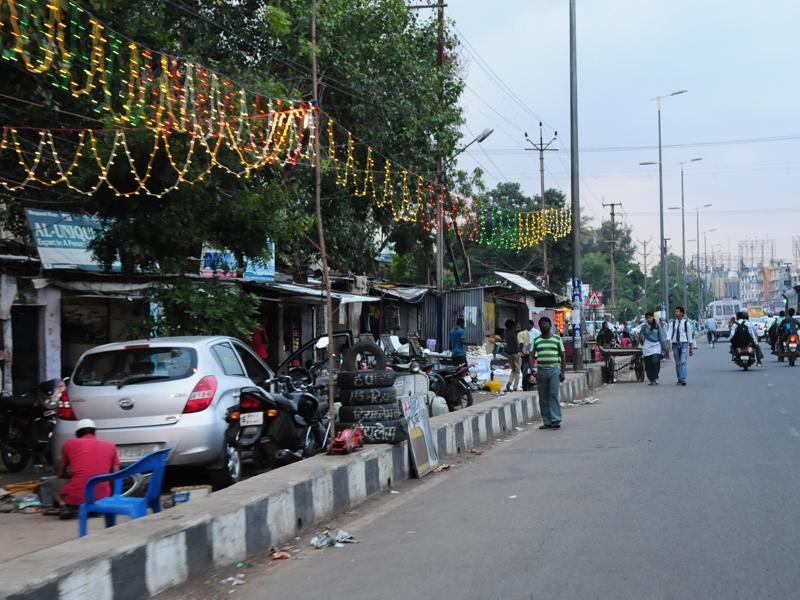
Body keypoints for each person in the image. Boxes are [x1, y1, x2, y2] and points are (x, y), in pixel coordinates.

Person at [54, 419, 120, 520]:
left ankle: (63, 505)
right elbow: (116, 475)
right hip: (103, 497)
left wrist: (71, 475)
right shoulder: (110, 445)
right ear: (95, 432)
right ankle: (93, 508)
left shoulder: (69, 444)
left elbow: (61, 472)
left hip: (76, 497)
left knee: (52, 482)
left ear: (77, 434)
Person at [531, 316, 566, 429]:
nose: (543, 326)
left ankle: (556, 420)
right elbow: (531, 355)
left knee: (553, 394)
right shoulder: (536, 340)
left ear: (550, 326)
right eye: (541, 324)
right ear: (539, 326)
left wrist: (563, 371)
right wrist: (532, 369)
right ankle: (547, 421)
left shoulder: (557, 339)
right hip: (541, 371)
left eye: (546, 324)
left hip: (554, 370)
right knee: (543, 396)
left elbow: (563, 355)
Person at [667, 306, 693, 385]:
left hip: (684, 344)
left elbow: (689, 336)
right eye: (675, 311)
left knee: (683, 361)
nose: (676, 313)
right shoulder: (672, 323)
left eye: (677, 311)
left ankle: (683, 378)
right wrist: (668, 344)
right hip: (675, 344)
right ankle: (679, 378)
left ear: (682, 313)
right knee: (677, 363)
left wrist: (691, 348)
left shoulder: (686, 324)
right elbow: (669, 334)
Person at [639, 312, 666, 384]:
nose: (649, 319)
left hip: (656, 346)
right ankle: (651, 379)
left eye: (650, 317)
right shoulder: (644, 327)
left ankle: (655, 376)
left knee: (655, 361)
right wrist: (641, 339)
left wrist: (664, 348)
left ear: (653, 317)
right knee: (648, 364)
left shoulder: (657, 326)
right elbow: (640, 337)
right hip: (647, 346)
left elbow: (662, 337)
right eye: (647, 318)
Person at [504, 319, 521, 392]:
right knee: (517, 371)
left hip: (509, 354)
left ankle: (509, 383)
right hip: (515, 353)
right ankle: (515, 387)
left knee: (513, 370)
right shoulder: (512, 332)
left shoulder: (506, 333)